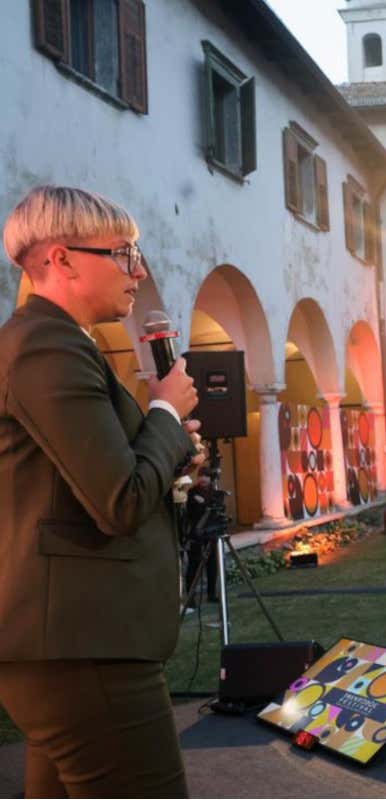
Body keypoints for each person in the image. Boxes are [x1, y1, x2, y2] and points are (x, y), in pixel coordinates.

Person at [0, 186, 205, 798]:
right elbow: (119, 500)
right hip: (83, 649)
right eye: (122, 253)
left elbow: (89, 486)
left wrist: (163, 436)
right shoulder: (46, 346)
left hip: (67, 647)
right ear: (60, 259)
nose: (139, 269)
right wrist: (165, 414)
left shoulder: (58, 345)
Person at [183, 471, 219, 608]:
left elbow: (216, 509)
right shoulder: (192, 492)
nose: (203, 478)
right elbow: (192, 511)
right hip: (196, 533)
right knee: (194, 564)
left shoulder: (214, 492)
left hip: (211, 533)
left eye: (206, 476)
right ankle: (190, 598)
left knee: (212, 564)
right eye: (201, 476)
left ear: (210, 479)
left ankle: (211, 593)